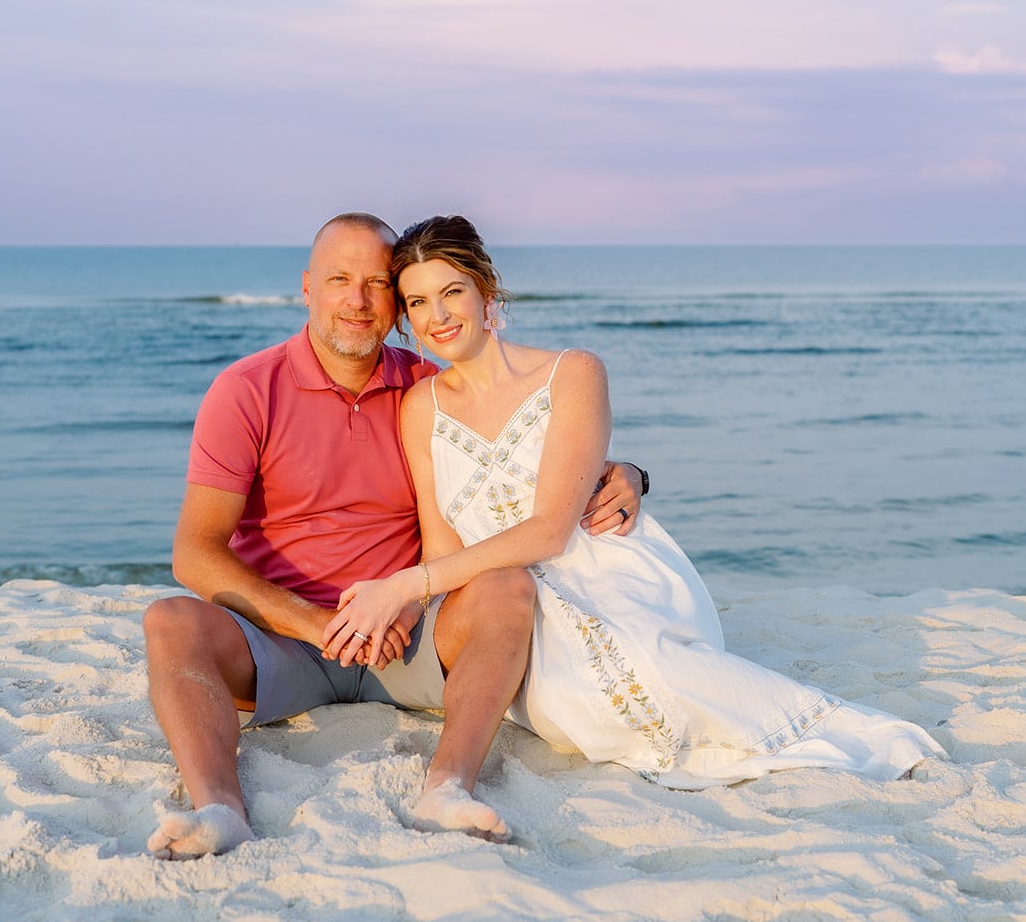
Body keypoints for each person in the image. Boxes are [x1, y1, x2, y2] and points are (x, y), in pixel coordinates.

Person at [325, 215, 945, 821]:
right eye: (418, 302)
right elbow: (440, 544)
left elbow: (550, 529)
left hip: (607, 564)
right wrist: (413, 603)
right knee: (570, 698)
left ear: (488, 291)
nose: (439, 316)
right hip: (509, 598)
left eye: (452, 292)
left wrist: (405, 585)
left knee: (654, 664)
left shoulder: (573, 372)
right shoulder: (420, 407)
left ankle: (853, 739)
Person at [142, 212, 644, 856]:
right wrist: (317, 624)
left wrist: (629, 472)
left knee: (506, 588)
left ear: (397, 301)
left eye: (377, 283)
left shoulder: (429, 387)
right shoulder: (244, 391)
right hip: (283, 643)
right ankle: (220, 808)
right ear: (306, 287)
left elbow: (534, 455)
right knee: (171, 621)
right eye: (338, 279)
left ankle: (447, 787)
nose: (356, 300)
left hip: (410, 640)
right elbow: (195, 551)